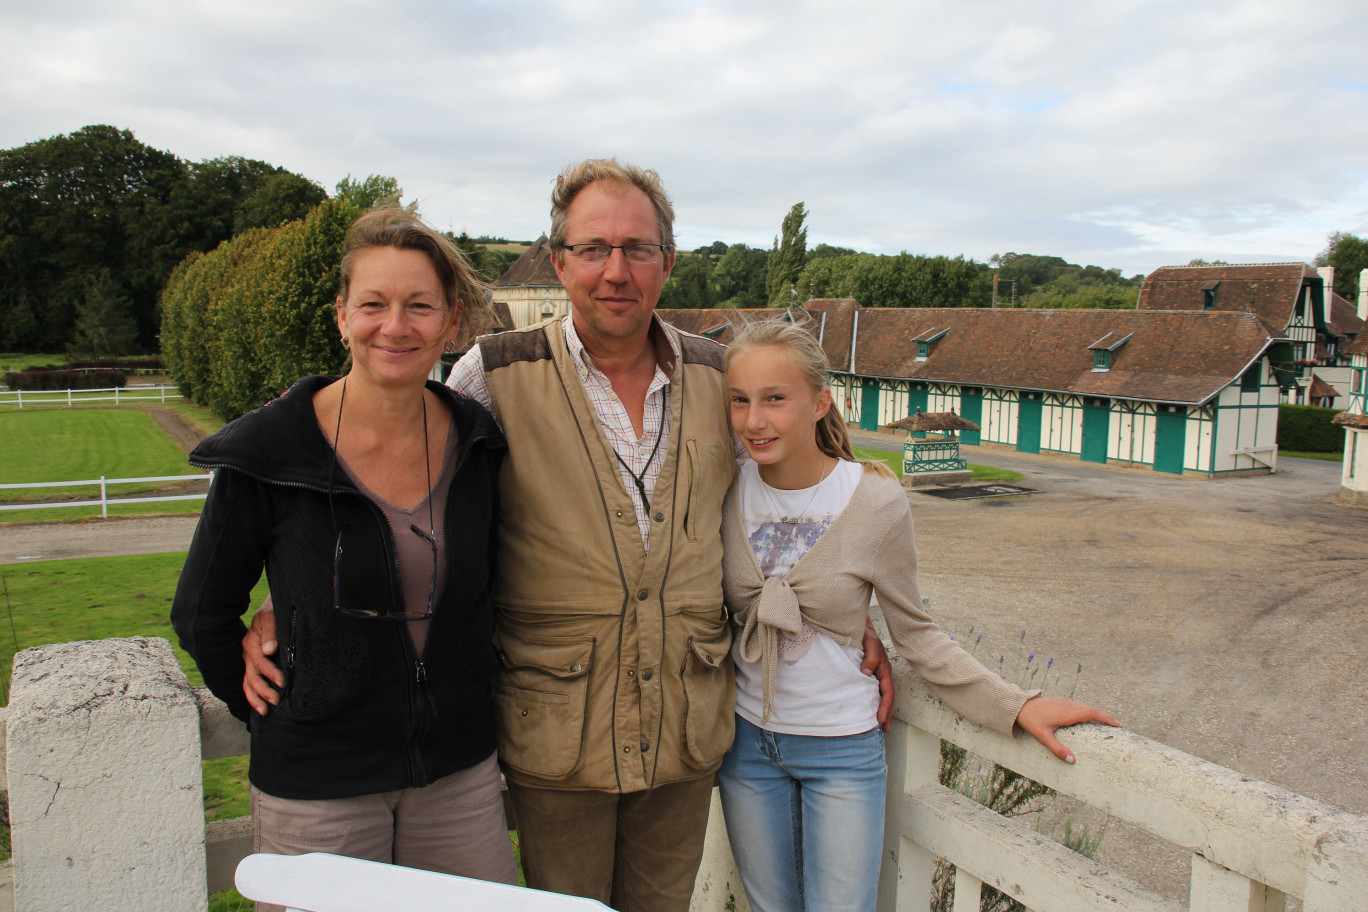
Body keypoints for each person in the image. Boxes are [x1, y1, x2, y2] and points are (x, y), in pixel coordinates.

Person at [242, 159, 892, 912]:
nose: (616, 270)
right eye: (592, 249)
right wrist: (287, 600)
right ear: (559, 261)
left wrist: (850, 617)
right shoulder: (495, 371)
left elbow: (800, 491)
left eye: (637, 249)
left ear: (668, 262)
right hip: (557, 734)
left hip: (687, 731)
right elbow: (398, 487)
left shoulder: (721, 377)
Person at [171, 208, 518, 909]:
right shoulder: (269, 452)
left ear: (451, 322)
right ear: (341, 317)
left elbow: (493, 583)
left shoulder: (480, 441)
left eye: (419, 306)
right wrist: (280, 706)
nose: (396, 326)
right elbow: (203, 611)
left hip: (457, 775)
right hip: (318, 789)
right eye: (373, 305)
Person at [717, 319, 1120, 912]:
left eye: (776, 398)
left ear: (820, 402)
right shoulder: (724, 485)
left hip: (840, 751)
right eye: (740, 401)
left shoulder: (874, 501)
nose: (755, 420)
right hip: (745, 744)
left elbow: (917, 633)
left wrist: (1015, 704)